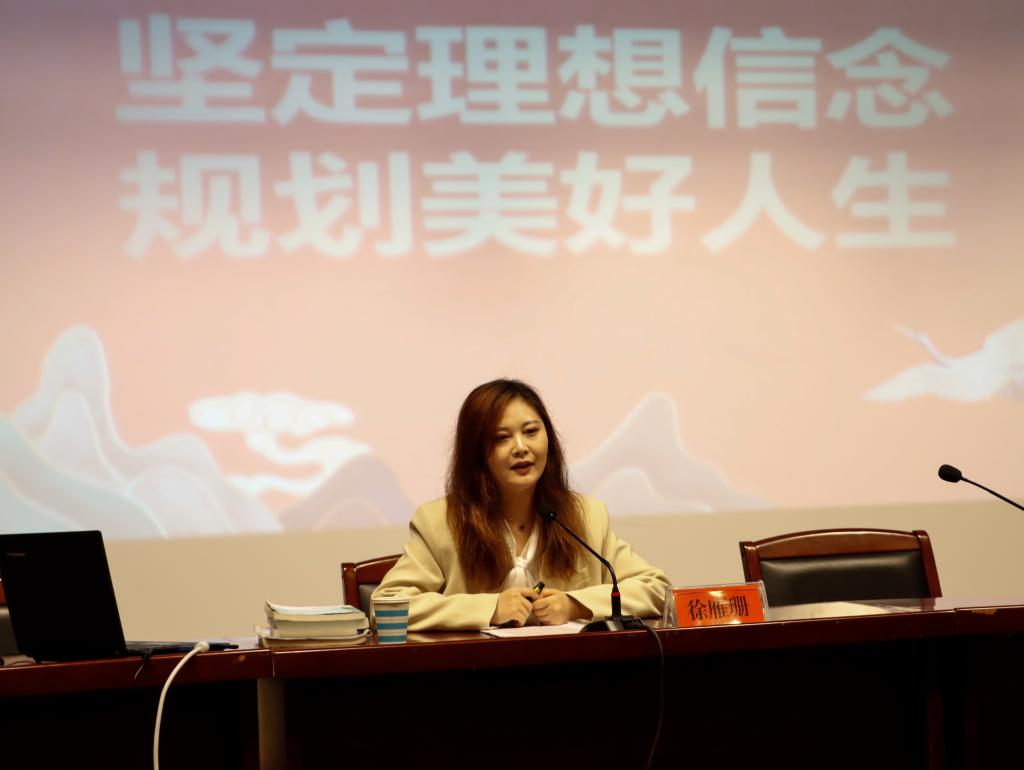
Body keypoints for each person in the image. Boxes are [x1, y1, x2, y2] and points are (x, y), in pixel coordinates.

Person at [372, 378, 669, 630]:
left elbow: (656, 589)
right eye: (502, 438)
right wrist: (491, 608)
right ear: (476, 454)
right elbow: (386, 604)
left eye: (530, 432)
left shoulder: (586, 515)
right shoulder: (440, 522)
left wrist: (575, 604)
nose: (521, 447)